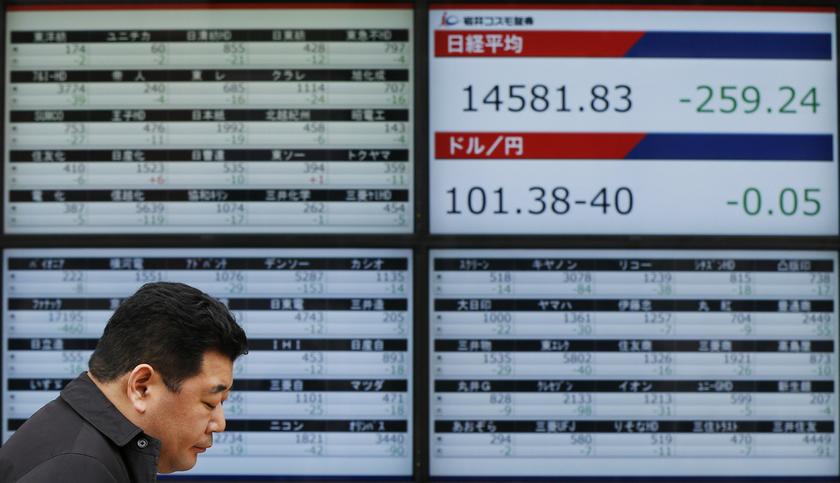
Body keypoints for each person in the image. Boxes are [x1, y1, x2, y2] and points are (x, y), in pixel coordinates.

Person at [0, 282, 248, 482]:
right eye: (210, 402)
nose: (220, 424)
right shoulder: (81, 469)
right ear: (142, 386)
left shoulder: (75, 439)